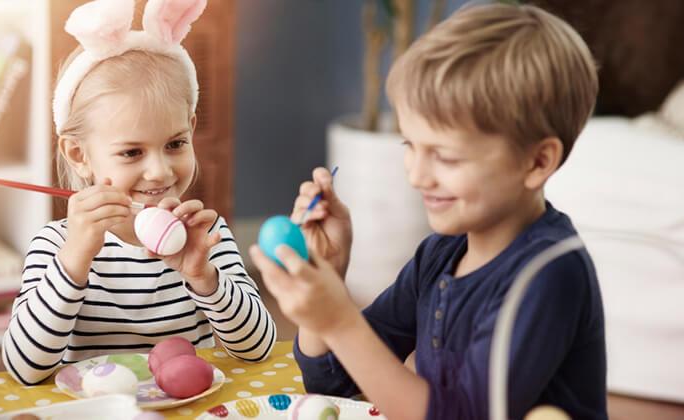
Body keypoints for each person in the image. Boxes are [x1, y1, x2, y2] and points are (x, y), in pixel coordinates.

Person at [249, 3, 606, 419]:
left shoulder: (549, 275)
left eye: (446, 157)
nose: (417, 176)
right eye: (410, 146)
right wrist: (327, 285)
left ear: (537, 162)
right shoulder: (440, 255)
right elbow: (335, 383)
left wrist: (342, 322)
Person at [2, 0, 275, 385]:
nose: (160, 170)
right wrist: (74, 262)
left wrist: (205, 278)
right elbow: (24, 370)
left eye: (175, 144)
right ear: (79, 155)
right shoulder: (56, 244)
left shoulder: (204, 238)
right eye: (132, 152)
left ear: (191, 129)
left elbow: (258, 348)